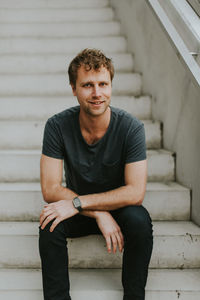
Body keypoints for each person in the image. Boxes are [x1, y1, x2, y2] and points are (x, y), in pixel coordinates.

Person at [39, 48, 153, 300]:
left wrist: (82, 203)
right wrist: (98, 213)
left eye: (103, 83)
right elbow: (50, 188)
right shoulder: (57, 126)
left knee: (139, 221)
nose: (97, 93)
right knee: (49, 221)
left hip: (117, 207)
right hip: (78, 207)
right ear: (73, 88)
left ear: (111, 86)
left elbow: (135, 192)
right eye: (87, 85)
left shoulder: (131, 128)